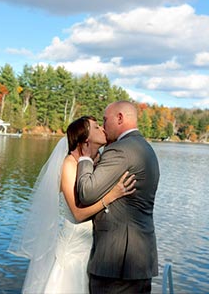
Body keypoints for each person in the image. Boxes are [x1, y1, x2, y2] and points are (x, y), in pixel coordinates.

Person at [8, 115, 136, 294]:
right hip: (72, 252)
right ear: (85, 138)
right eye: (97, 127)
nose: (103, 129)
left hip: (92, 251)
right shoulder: (69, 164)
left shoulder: (98, 162)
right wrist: (112, 195)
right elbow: (78, 214)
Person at [77, 102, 160, 294]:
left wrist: (86, 158)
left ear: (120, 118)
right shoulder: (146, 148)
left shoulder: (120, 150)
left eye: (105, 120)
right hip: (141, 259)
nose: (104, 127)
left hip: (117, 262)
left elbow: (87, 193)